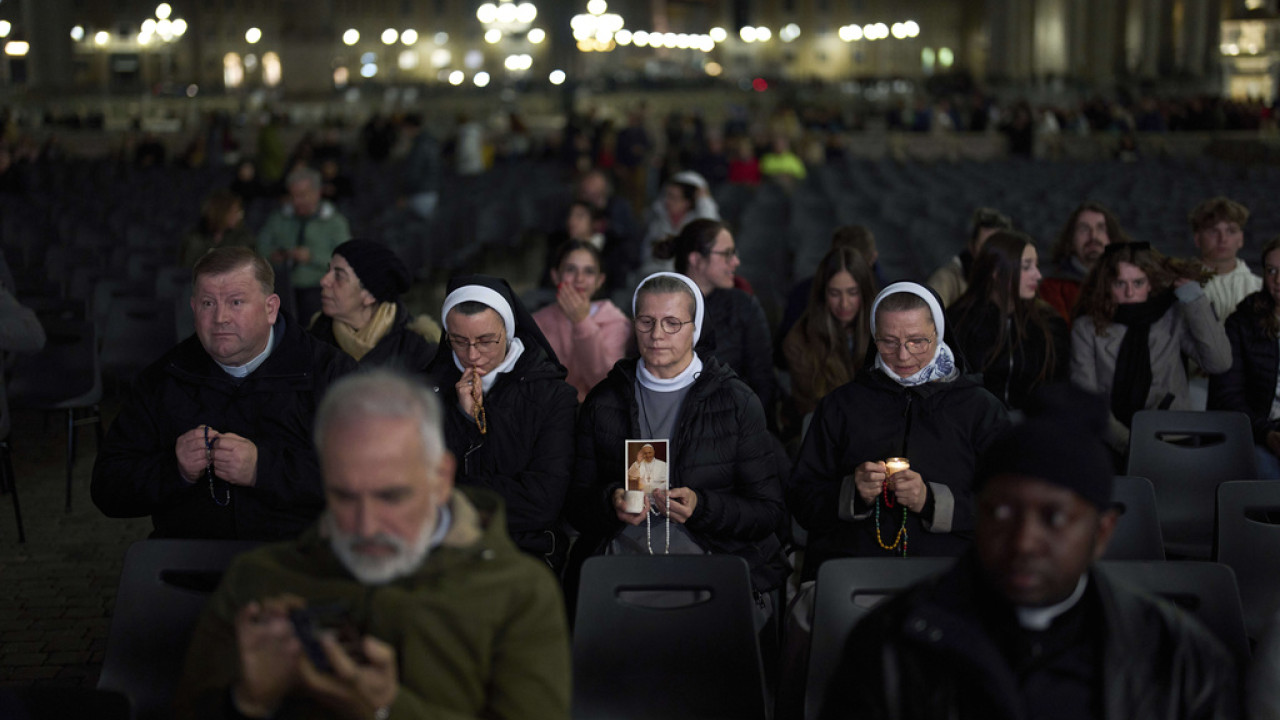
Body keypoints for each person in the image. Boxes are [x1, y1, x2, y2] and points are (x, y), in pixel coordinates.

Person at [817, 388, 1240, 720]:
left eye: (1054, 518)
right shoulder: (892, 645)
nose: (1022, 541)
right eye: (1000, 512)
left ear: (1102, 532)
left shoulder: (1178, 659)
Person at [173, 370, 571, 720]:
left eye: (391, 496)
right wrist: (246, 703)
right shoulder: (260, 581)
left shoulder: (518, 594)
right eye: (344, 497)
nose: (366, 526)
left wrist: (384, 711)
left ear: (441, 477)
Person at [91, 248, 356, 540]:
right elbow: (107, 487)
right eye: (208, 303)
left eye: (236, 302)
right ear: (193, 308)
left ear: (270, 308)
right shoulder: (163, 379)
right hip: (189, 559)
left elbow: (367, 478)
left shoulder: (332, 374)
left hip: (296, 560)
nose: (220, 318)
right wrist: (174, 471)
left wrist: (262, 469)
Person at [567, 272, 789, 602]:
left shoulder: (736, 402)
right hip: (623, 559)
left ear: (695, 328)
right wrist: (610, 502)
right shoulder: (605, 400)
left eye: (672, 323)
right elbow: (576, 506)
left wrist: (703, 507)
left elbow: (768, 512)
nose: (657, 335)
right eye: (646, 322)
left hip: (711, 559)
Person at [787, 282, 1009, 581]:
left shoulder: (980, 410)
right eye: (888, 342)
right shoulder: (841, 406)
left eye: (917, 341)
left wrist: (931, 502)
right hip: (853, 571)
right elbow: (801, 500)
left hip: (951, 575)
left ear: (938, 334)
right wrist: (851, 493)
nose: (903, 356)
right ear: (873, 337)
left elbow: (1007, 506)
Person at [427, 276, 578, 571]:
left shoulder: (553, 396)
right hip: (440, 550)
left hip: (526, 552)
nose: (472, 354)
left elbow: (542, 503)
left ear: (507, 332)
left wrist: (451, 494)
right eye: (458, 341)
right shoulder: (424, 391)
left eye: (485, 341)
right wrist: (465, 419)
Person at [1071, 242, 1230, 455]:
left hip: (1172, 436)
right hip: (1109, 441)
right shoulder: (1087, 327)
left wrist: (1194, 298)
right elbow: (1086, 398)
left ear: (1150, 284)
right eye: (1120, 283)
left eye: (1138, 282)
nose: (1130, 292)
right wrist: (1129, 443)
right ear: (1106, 285)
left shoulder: (1172, 316)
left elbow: (1219, 362)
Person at [653, 219, 777, 420]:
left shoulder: (743, 305)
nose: (735, 261)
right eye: (727, 254)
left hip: (734, 423)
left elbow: (763, 380)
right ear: (696, 260)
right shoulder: (658, 304)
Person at [947, 231, 1069, 412]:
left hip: (1033, 431)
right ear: (996, 271)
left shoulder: (1050, 324)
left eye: (1036, 265)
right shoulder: (958, 322)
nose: (1038, 275)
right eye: (1026, 267)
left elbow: (1058, 388)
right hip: (975, 430)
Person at [309, 239, 439, 372]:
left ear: (370, 296)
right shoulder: (315, 338)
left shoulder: (416, 348)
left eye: (338, 276)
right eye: (328, 271)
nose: (324, 281)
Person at [1209, 236, 1280, 479]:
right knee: (1261, 470)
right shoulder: (1242, 322)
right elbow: (1227, 396)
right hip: (1258, 433)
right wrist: (1266, 434)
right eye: (1271, 271)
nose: (1278, 280)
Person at [782, 246, 878, 419]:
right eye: (835, 293)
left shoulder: (884, 330)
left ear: (864, 292)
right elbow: (812, 408)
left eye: (853, 292)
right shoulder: (798, 341)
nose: (844, 304)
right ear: (823, 294)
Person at [532, 240, 631, 403]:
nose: (579, 279)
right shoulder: (538, 321)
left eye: (589, 272)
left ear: (600, 280)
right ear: (555, 276)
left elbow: (604, 384)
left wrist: (581, 321)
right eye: (571, 269)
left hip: (594, 416)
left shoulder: (616, 322)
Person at [258, 166, 352, 323]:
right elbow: (261, 246)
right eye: (293, 196)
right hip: (281, 285)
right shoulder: (279, 218)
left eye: (302, 196)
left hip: (319, 288)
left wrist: (312, 257)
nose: (296, 202)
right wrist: (274, 255)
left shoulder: (335, 223)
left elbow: (346, 260)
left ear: (317, 193)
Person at [1040, 202, 1128, 324]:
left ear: (1111, 238)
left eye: (1101, 228)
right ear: (1071, 239)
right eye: (1084, 229)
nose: (1093, 236)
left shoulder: (1132, 282)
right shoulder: (1053, 287)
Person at [1189, 196, 1261, 322]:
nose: (1223, 239)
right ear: (1197, 239)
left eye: (1231, 231)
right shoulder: (1182, 287)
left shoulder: (1260, 288)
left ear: (1241, 239)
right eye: (1213, 231)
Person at [926, 207, 1013, 308]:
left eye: (997, 247)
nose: (991, 254)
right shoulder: (947, 280)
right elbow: (927, 318)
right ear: (972, 246)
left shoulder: (1012, 282)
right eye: (984, 247)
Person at [639, 170, 720, 278]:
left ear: (687, 202)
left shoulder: (696, 222)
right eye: (666, 195)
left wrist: (704, 199)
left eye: (674, 197)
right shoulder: (657, 220)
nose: (667, 201)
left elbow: (711, 228)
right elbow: (647, 255)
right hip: (656, 277)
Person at [179, 189, 256, 269]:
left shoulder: (243, 237)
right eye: (235, 212)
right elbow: (187, 269)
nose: (240, 216)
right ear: (221, 213)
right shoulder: (195, 239)